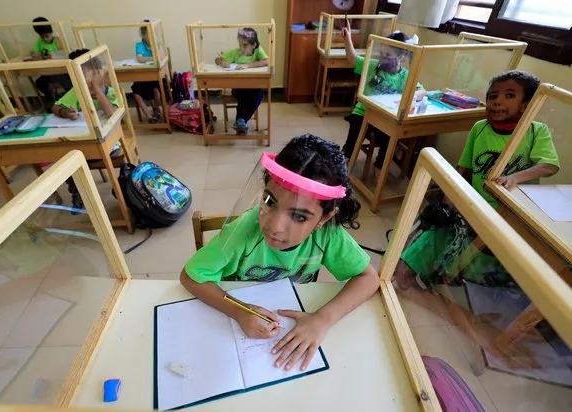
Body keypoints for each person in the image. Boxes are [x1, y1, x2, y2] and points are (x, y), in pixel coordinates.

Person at [393, 70, 559, 369]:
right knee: (420, 251)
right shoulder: (480, 128)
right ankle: (421, 283)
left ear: (527, 105)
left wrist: (517, 177)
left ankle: (497, 315)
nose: (497, 102)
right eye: (492, 96)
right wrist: (449, 196)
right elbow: (463, 169)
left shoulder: (536, 132)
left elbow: (549, 165)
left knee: (516, 269)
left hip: (510, 216)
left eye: (509, 95)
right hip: (474, 209)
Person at [180, 134, 380, 371]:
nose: (274, 227)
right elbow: (190, 276)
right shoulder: (245, 231)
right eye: (270, 201)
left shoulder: (328, 235)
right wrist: (238, 311)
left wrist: (322, 319)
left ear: (324, 218)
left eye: (298, 216)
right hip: (240, 320)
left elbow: (368, 279)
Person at [341, 25, 426, 171]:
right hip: (363, 113)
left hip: (385, 118)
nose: (382, 59)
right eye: (381, 54)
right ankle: (345, 156)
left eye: (387, 56)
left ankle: (380, 166)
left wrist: (411, 95)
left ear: (400, 57)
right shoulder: (373, 66)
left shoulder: (404, 76)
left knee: (391, 136)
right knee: (355, 128)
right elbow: (353, 59)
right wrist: (347, 38)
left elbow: (422, 90)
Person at [51, 48, 120, 210]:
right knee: (66, 156)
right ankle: (77, 191)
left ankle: (80, 189)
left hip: (108, 142)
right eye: (76, 76)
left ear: (98, 72)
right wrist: (65, 112)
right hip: (82, 143)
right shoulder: (76, 92)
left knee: (73, 157)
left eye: (86, 75)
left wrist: (96, 88)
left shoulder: (110, 92)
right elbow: (55, 106)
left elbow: (111, 113)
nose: (82, 80)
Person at [215, 28, 268, 135]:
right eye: (240, 45)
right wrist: (222, 62)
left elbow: (266, 61)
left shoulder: (258, 51)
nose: (241, 48)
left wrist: (248, 65)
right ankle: (241, 121)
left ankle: (241, 120)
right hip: (238, 88)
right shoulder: (236, 52)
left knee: (259, 94)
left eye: (245, 45)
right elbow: (217, 59)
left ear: (254, 45)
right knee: (245, 95)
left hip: (253, 87)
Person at [30, 17, 72, 104]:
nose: (45, 39)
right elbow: (33, 54)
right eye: (42, 37)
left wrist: (50, 55)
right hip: (47, 72)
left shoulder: (57, 39)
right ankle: (53, 101)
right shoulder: (39, 41)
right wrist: (42, 55)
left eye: (47, 36)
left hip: (60, 71)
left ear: (51, 32)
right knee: (39, 82)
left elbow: (64, 53)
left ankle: (67, 100)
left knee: (65, 82)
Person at [131, 20, 164, 124]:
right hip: (142, 76)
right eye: (149, 34)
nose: (152, 36)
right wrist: (153, 58)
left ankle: (156, 109)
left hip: (154, 76)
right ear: (144, 35)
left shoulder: (157, 44)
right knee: (136, 93)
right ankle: (149, 116)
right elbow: (140, 58)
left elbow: (161, 56)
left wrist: (150, 58)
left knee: (156, 90)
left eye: (153, 33)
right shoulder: (139, 45)